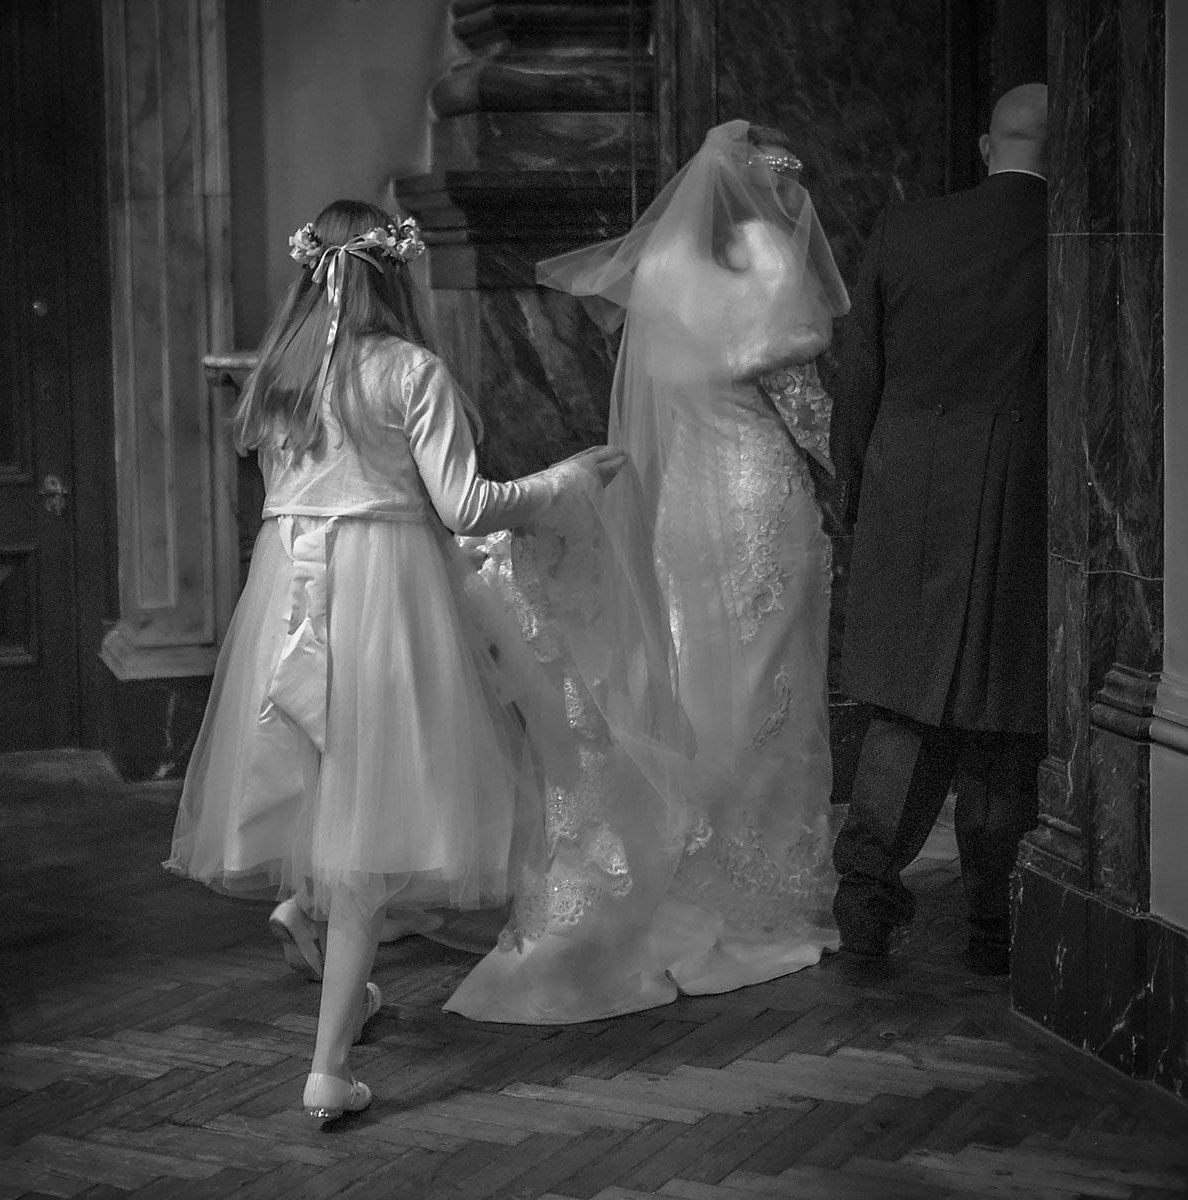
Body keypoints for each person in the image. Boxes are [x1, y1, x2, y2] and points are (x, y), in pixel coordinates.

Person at [166, 199, 623, 1120]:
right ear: (395, 276)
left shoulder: (280, 377)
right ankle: (328, 1068)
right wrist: (565, 482)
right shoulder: (410, 371)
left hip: (289, 596)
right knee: (376, 815)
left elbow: (289, 495)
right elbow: (466, 504)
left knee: (325, 770)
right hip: (383, 601)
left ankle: (307, 915)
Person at [446, 120, 847, 1024]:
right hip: (757, 500)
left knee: (699, 684)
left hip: (682, 511)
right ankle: (752, 896)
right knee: (768, 690)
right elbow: (806, 410)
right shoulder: (771, 263)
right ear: (764, 189)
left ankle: (681, 869)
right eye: (788, 185)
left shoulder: (663, 268)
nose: (797, 205)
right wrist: (864, 478)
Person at [827, 83, 1050, 976]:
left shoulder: (906, 229)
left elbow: (859, 382)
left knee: (904, 713)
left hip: (907, 493)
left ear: (987, 147)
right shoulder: (1073, 238)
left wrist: (861, 505)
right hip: (1021, 497)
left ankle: (866, 918)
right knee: (1003, 721)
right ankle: (994, 926)